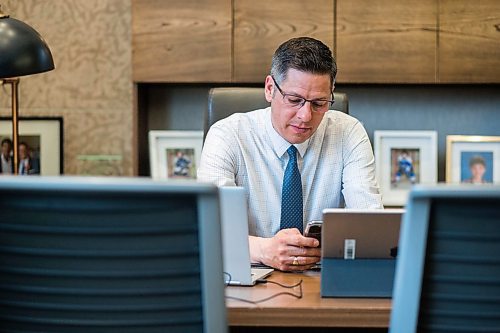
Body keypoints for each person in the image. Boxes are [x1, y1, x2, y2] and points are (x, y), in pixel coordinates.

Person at [198, 37, 382, 271]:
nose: (306, 115)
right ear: (270, 89)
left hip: (322, 276)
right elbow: (208, 231)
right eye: (294, 100)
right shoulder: (227, 135)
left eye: (319, 103)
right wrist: (265, 250)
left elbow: (370, 225)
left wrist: (326, 249)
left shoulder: (349, 133)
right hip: (247, 275)